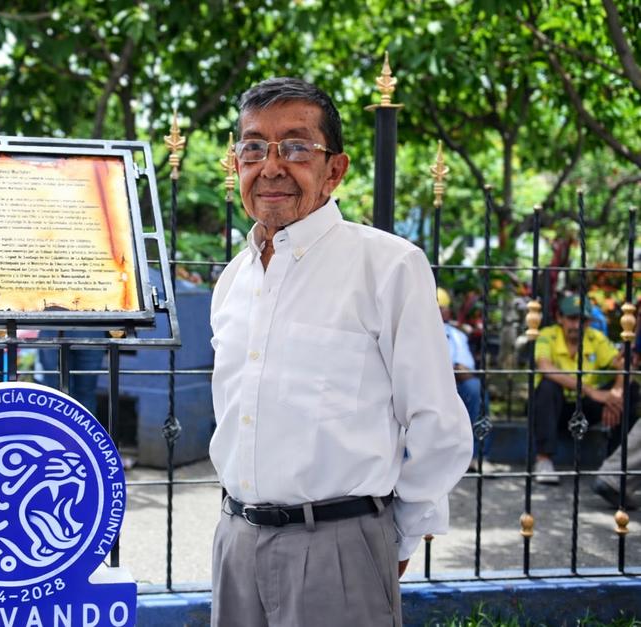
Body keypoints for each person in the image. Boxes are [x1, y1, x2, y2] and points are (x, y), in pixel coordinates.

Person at [209, 77, 472, 626]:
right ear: (237, 165)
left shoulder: (388, 266)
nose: (272, 166)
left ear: (335, 170)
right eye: (254, 148)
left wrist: (393, 539)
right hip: (235, 544)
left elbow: (436, 421)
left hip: (340, 549)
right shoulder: (232, 279)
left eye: (297, 147)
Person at [533, 294, 637, 484]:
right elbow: (545, 368)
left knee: (630, 390)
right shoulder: (547, 335)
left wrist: (615, 393)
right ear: (560, 318)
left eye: (583, 320)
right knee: (548, 386)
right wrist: (590, 390)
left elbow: (625, 364)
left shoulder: (595, 337)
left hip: (585, 408)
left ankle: (615, 465)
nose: (577, 325)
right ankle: (544, 460)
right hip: (556, 408)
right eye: (572, 319)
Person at [438, 287, 493, 465]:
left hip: (452, 384)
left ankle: (477, 456)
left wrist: (447, 370)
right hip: (422, 384)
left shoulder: (455, 334)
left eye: (441, 308)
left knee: (475, 388)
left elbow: (465, 369)